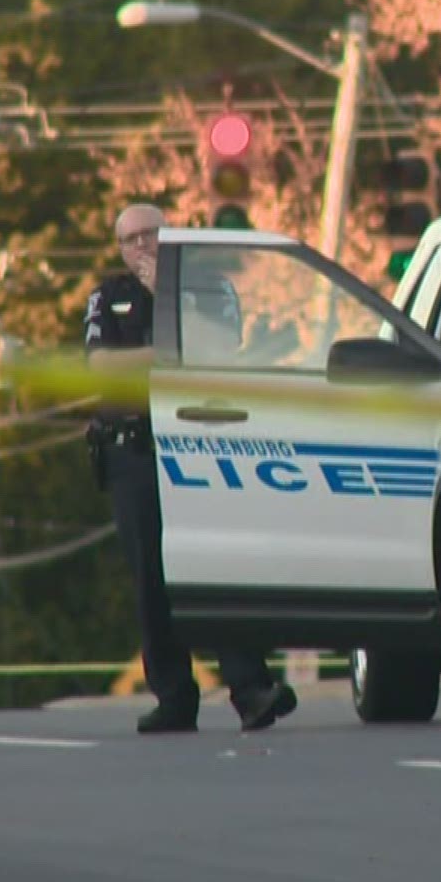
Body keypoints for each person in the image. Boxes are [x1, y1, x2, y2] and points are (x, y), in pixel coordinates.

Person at [85, 202, 298, 733]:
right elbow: (101, 366)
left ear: (171, 234)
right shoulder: (107, 297)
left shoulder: (209, 289)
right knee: (151, 579)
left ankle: (251, 688)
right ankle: (174, 697)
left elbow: (219, 347)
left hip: (201, 444)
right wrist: (166, 353)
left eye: (150, 235)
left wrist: (165, 300)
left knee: (216, 564)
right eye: (129, 239)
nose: (141, 247)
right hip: (134, 448)